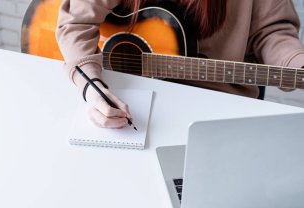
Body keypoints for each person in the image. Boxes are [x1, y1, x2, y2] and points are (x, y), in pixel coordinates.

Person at [56, 0, 304, 129]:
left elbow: (272, 31)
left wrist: (297, 65)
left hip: (218, 109)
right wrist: (92, 87)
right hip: (130, 105)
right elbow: (76, 23)